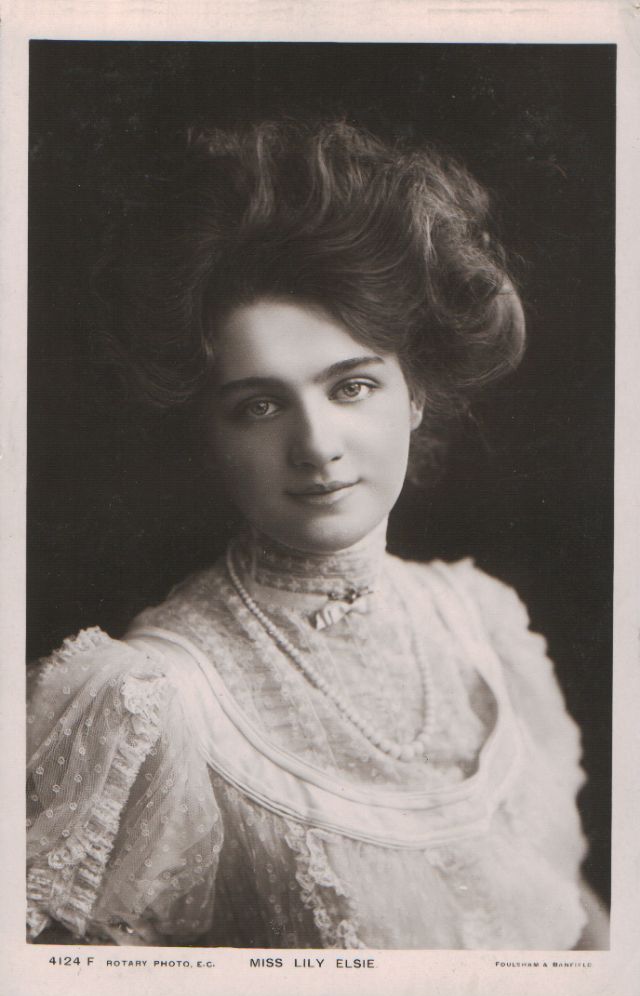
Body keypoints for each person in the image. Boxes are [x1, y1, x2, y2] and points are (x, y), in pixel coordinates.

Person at [26, 120, 607, 949]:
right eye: (260, 406)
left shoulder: (482, 625)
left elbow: (579, 926)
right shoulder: (154, 701)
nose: (316, 445)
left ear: (415, 394)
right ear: (208, 433)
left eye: (352, 387)